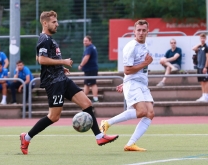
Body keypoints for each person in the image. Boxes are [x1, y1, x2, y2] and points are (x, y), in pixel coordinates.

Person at [20, 10, 118, 155]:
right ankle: (26, 137)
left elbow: (38, 57)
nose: (57, 24)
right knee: (53, 117)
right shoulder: (44, 39)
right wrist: (63, 62)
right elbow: (41, 59)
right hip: (53, 83)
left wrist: (59, 68)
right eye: (54, 22)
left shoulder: (49, 39)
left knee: (87, 104)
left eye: (56, 21)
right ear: (45, 23)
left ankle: (99, 137)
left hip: (61, 79)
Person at [100, 20, 154, 151]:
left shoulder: (145, 45)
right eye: (138, 30)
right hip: (134, 83)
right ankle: (107, 123)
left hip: (141, 83)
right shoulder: (132, 46)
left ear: (148, 32)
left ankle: (130, 144)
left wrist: (125, 82)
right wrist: (145, 64)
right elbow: (127, 70)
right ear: (134, 31)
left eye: (143, 30)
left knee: (150, 113)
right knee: (141, 111)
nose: (141, 33)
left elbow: (139, 68)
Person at [78, 36, 99, 102]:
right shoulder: (92, 47)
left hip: (91, 69)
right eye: (84, 41)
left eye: (86, 41)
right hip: (90, 69)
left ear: (90, 41)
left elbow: (86, 58)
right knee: (87, 84)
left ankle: (95, 99)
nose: (84, 42)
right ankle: (84, 98)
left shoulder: (89, 48)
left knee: (92, 84)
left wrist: (81, 65)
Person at [192, 33, 208, 102]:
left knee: (205, 81)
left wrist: (206, 67)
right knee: (201, 81)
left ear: (206, 39)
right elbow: (193, 48)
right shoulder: (199, 47)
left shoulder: (206, 47)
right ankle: (203, 95)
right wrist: (199, 44)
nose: (202, 39)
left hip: (204, 67)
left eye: (204, 38)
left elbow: (207, 57)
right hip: (199, 66)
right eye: (201, 38)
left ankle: (206, 96)